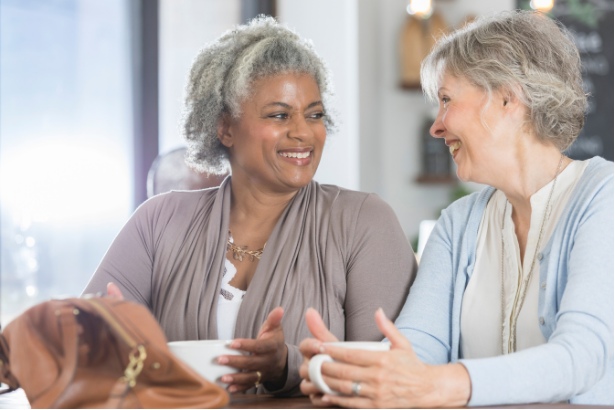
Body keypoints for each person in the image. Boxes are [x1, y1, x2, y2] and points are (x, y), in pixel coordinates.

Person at [82, 16, 416, 396]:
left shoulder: (363, 222)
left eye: (315, 114)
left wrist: (286, 366)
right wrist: (102, 338)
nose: (303, 132)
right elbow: (80, 342)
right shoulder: (159, 221)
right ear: (224, 127)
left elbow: (391, 376)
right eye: (279, 115)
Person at [299, 10, 613, 407]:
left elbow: (583, 358)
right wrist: (347, 370)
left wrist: (444, 385)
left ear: (506, 97)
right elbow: (417, 352)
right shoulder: (458, 223)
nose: (437, 126)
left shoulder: (604, 197)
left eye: (446, 100)